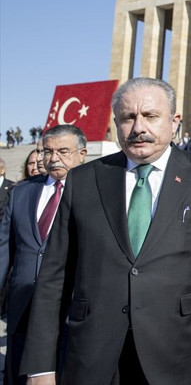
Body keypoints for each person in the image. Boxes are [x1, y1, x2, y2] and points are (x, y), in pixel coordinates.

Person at [19, 77, 191, 384]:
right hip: (95, 355)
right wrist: (41, 365)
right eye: (128, 117)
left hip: (181, 352)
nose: (139, 127)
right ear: (116, 124)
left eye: (150, 116)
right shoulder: (84, 180)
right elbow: (54, 277)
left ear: (174, 121)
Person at [0, 124, 87, 384]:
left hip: (68, 309)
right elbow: (4, 251)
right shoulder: (21, 192)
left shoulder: (95, 194)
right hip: (22, 305)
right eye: (47, 151)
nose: (53, 158)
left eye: (62, 151)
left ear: (82, 154)